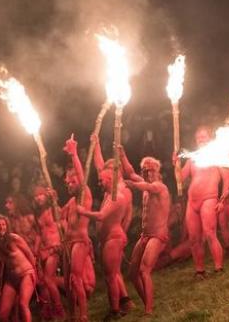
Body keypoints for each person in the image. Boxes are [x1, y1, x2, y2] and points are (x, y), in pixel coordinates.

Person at [77, 136, 133, 320]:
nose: (101, 179)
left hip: (115, 235)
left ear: (113, 173)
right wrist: (97, 145)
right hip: (108, 236)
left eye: (105, 174)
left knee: (112, 274)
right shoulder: (110, 190)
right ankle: (122, 302)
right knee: (113, 273)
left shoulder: (122, 191)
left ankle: (117, 308)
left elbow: (126, 214)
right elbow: (99, 165)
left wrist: (122, 233)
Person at [120, 148, 171, 315]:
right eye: (145, 170)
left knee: (144, 270)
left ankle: (149, 310)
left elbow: (145, 185)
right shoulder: (145, 185)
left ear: (157, 170)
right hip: (145, 236)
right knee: (132, 274)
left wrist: (133, 184)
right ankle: (147, 305)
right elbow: (130, 171)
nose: (148, 172)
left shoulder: (159, 186)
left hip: (157, 235)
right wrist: (122, 154)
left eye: (151, 170)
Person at [175, 126, 229, 277]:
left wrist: (223, 199)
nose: (201, 139)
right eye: (199, 137)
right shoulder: (193, 157)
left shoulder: (217, 155)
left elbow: (227, 179)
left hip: (209, 197)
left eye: (204, 136)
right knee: (194, 238)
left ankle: (218, 267)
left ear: (210, 138)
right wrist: (175, 164)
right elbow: (180, 178)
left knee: (209, 233)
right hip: (192, 201)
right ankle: (200, 270)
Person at [60, 136, 97, 321]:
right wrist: (50, 200)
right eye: (67, 183)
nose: (69, 184)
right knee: (68, 283)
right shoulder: (71, 202)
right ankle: (71, 316)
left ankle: (83, 315)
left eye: (72, 182)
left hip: (79, 242)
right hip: (67, 243)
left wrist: (74, 154)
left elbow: (82, 180)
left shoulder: (85, 195)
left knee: (76, 279)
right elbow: (58, 216)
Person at [0, 214, 36, 322]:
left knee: (22, 304)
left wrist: (36, 273)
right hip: (11, 279)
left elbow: (29, 254)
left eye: (3, 224)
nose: (2, 227)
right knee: (2, 315)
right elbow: (0, 267)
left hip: (26, 274)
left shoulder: (14, 238)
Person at [32, 186, 65, 319]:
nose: (38, 198)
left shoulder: (55, 209)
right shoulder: (38, 214)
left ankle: (59, 309)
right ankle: (49, 309)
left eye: (41, 195)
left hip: (55, 247)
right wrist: (35, 251)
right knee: (44, 281)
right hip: (43, 250)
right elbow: (40, 234)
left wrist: (55, 200)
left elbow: (63, 223)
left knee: (48, 279)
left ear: (46, 196)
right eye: (36, 196)